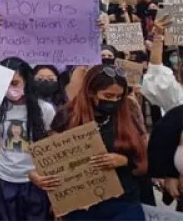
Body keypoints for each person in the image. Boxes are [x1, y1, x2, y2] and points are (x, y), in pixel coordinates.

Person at [48, 65, 147, 220]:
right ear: (90, 92)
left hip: (123, 202)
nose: (114, 101)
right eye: (108, 96)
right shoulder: (67, 116)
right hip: (81, 205)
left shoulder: (129, 113)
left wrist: (124, 161)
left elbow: (143, 163)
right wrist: (58, 202)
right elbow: (54, 162)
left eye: (118, 97)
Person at [0, 58, 54, 221]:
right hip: (4, 181)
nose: (10, 89)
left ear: (27, 81)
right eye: (5, 84)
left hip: (35, 183)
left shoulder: (45, 110)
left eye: (15, 83)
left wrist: (42, 174)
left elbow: (53, 149)